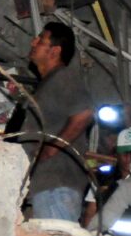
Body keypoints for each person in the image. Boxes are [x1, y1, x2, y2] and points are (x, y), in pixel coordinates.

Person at [21, 22, 95, 221]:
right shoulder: (48, 85)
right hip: (45, 187)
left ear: (55, 51)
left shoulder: (63, 78)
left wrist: (53, 147)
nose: (33, 42)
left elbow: (84, 114)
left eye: (40, 40)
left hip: (57, 187)